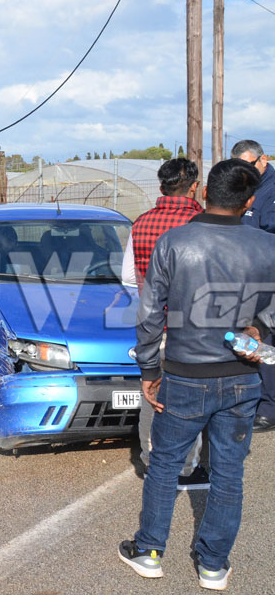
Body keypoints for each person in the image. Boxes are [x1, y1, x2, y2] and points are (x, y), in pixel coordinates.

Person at [119, 158, 275, 591]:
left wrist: (149, 369)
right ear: (248, 202)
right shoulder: (269, 246)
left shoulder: (173, 242)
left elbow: (150, 314)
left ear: (203, 192)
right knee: (228, 471)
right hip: (243, 374)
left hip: (185, 373)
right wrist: (259, 329)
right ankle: (213, 564)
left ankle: (149, 551)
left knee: (166, 462)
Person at [121, 158, 208, 490]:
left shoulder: (141, 222)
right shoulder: (200, 222)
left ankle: (148, 459)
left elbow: (129, 276)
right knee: (187, 399)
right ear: (195, 186)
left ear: (161, 188)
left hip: (151, 320)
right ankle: (185, 468)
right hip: (191, 325)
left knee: (151, 391)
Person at [232, 140, 275, 432]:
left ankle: (268, 408)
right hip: (243, 275)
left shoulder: (271, 191)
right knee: (249, 338)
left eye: (250, 164)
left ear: (264, 159)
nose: (246, 170)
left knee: (266, 339)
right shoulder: (243, 185)